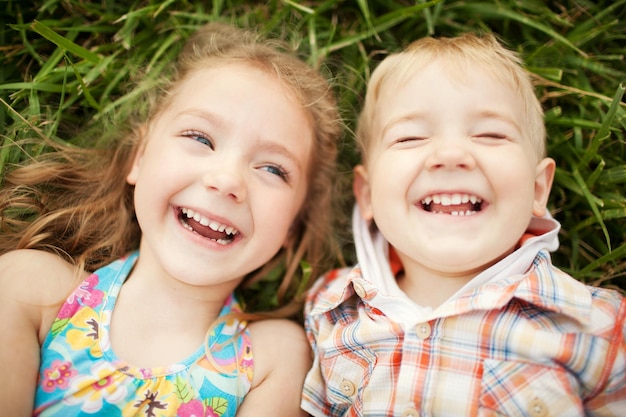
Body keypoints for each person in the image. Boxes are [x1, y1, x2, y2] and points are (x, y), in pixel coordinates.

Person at [0, 21, 341, 416]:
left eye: (273, 169)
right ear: (139, 157)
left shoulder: (273, 359)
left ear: (293, 225)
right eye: (200, 139)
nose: (227, 180)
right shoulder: (34, 289)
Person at [302, 32, 626, 416]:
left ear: (538, 189)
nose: (451, 154)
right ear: (368, 194)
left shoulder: (600, 325)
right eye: (410, 137)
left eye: (490, 134)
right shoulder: (329, 308)